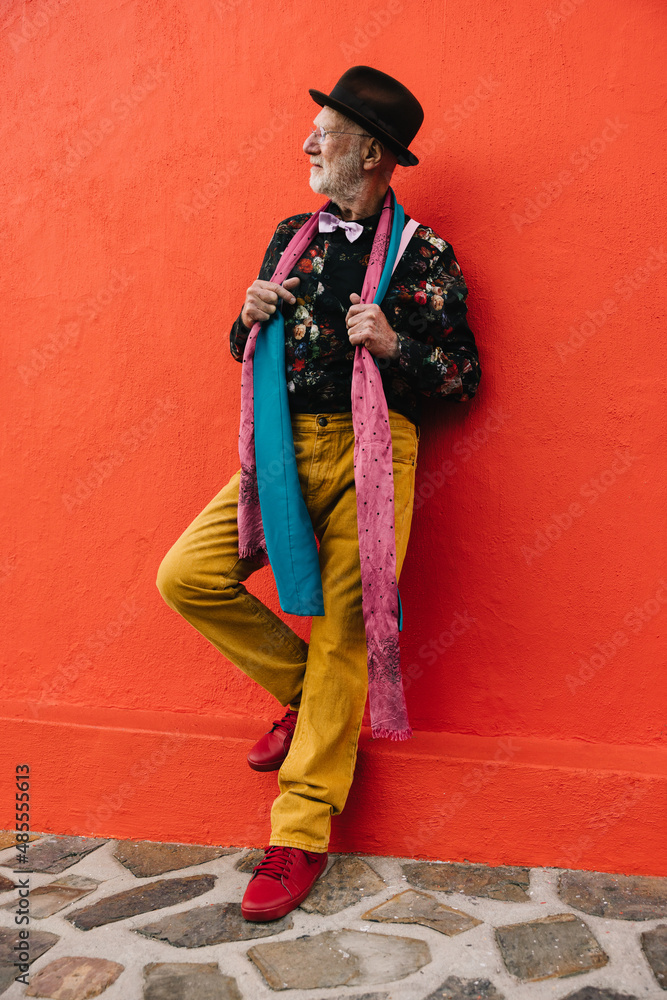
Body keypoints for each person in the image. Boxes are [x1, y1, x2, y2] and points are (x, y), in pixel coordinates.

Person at [156, 65, 481, 921]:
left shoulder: (425, 256)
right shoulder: (290, 235)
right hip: (282, 448)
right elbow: (245, 348)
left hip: (378, 454)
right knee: (186, 575)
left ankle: (296, 835)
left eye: (325, 131)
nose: (308, 143)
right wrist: (248, 313)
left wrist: (394, 343)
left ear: (369, 152)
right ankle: (306, 700)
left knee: (344, 635)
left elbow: (460, 376)